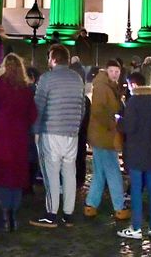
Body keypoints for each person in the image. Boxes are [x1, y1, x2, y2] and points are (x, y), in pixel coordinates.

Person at [29, 44, 86, 228]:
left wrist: (35, 131)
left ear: (53, 59)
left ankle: (51, 213)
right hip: (71, 132)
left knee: (51, 173)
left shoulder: (47, 78)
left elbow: (38, 106)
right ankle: (68, 214)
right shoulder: (77, 79)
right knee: (69, 172)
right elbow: (82, 106)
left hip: (51, 131)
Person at [0, 53, 37, 231]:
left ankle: (5, 214)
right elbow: (32, 114)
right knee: (17, 177)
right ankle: (13, 213)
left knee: (3, 176)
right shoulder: (26, 89)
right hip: (19, 139)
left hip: (0, 137)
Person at [117, 71, 151, 240]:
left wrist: (119, 121)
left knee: (136, 189)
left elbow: (129, 127)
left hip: (136, 150)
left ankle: (136, 227)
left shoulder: (134, 102)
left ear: (135, 85)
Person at [84, 58, 130, 220]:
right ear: (106, 71)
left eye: (117, 72)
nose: (115, 74)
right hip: (104, 135)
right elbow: (99, 112)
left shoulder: (107, 86)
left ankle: (91, 205)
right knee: (113, 171)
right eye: (112, 71)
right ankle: (119, 207)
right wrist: (114, 124)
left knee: (100, 173)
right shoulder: (103, 88)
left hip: (100, 135)